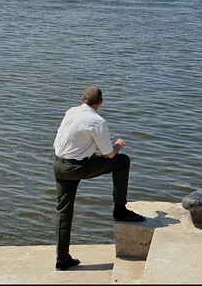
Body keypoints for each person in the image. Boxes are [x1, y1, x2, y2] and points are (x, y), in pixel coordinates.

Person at [52, 85, 145, 271]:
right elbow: (110, 154)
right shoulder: (97, 121)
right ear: (100, 103)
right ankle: (120, 210)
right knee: (122, 161)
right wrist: (118, 145)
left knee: (64, 212)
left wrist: (91, 154)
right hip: (76, 167)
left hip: (59, 164)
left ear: (81, 99)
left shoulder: (71, 111)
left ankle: (62, 259)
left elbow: (75, 141)